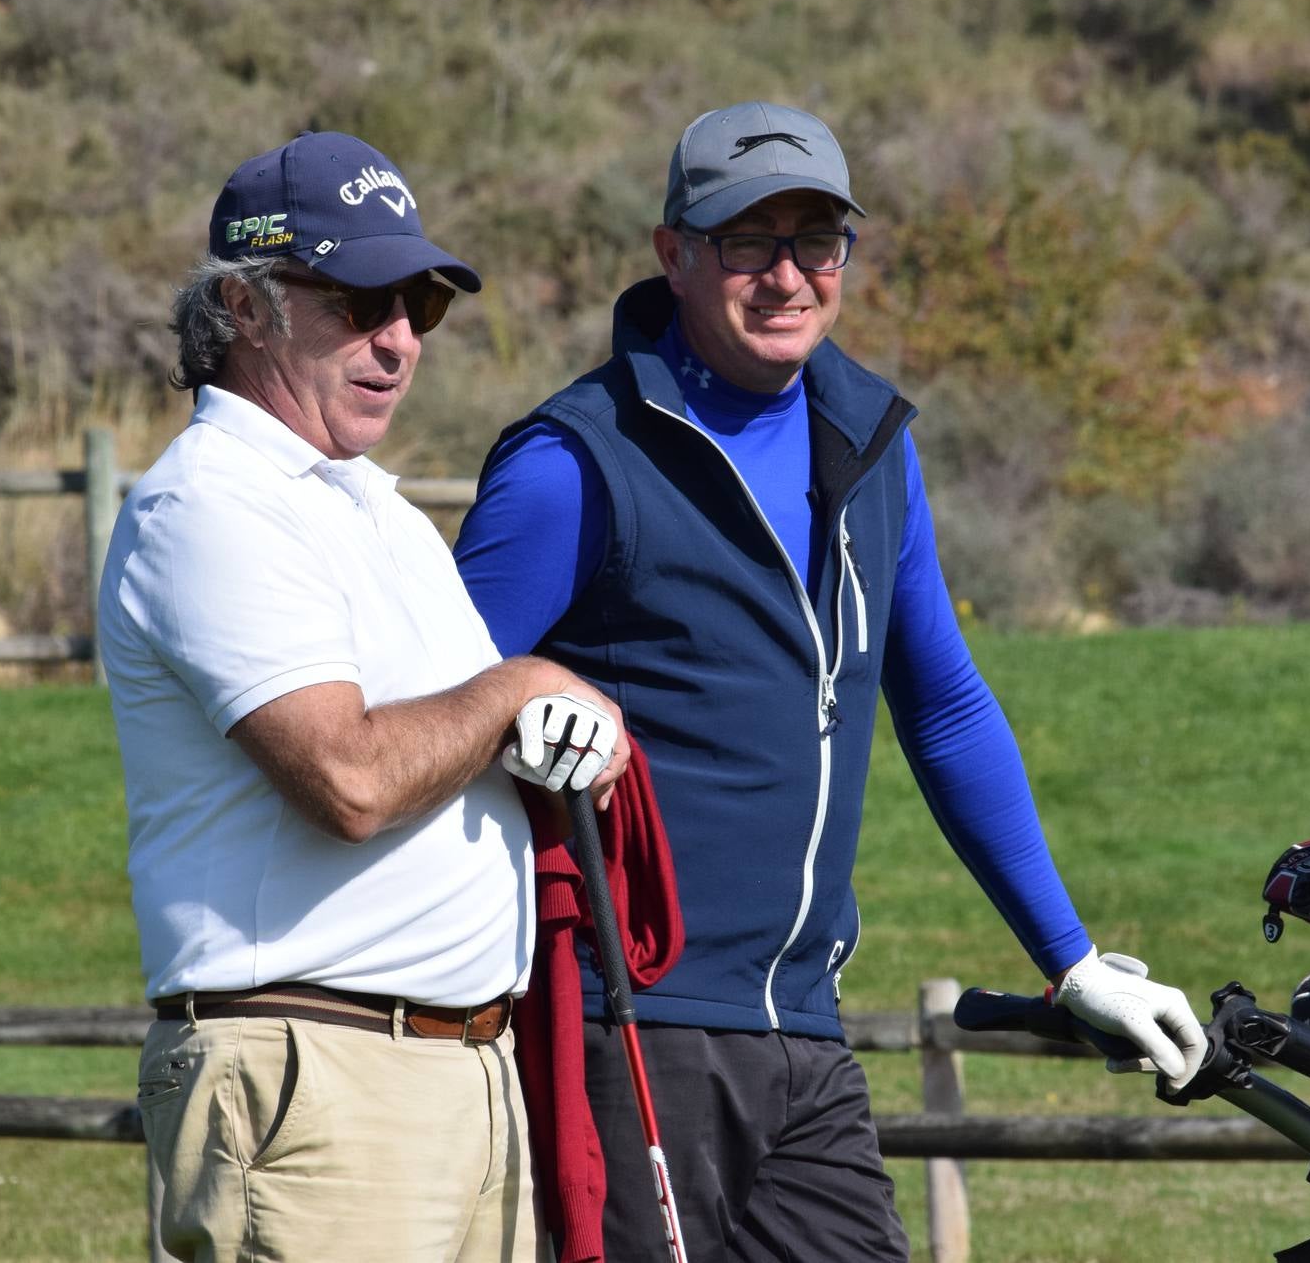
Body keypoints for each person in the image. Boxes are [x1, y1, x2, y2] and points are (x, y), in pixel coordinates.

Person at [454, 102, 1206, 1260]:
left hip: (807, 1030)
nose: (787, 276)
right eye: (747, 241)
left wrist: (1070, 961)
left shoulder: (874, 446)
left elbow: (945, 708)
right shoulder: (572, 462)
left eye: (818, 240)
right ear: (674, 254)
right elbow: (426, 713)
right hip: (632, 1023)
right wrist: (519, 693)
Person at [98, 130, 627, 1263]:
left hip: (453, 1074)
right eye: (357, 300)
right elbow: (349, 777)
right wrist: (520, 688)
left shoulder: (373, 510)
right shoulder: (208, 506)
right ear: (244, 308)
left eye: (420, 305)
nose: (396, 340)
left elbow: (452, 735)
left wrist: (539, 733)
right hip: (314, 1079)